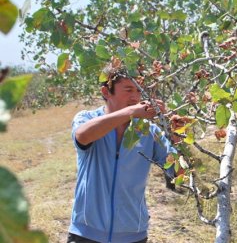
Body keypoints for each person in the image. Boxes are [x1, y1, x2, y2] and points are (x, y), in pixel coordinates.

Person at [67, 66, 176, 243]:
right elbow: (83, 136)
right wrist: (131, 112)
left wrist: (175, 131)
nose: (136, 97)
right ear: (106, 92)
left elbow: (177, 171)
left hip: (133, 235)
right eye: (128, 90)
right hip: (86, 233)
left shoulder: (149, 131)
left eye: (139, 91)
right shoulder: (86, 118)